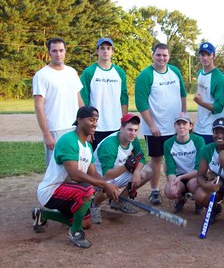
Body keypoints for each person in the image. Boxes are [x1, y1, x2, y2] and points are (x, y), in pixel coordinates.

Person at [32, 106, 119, 249]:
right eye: (91, 120)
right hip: (51, 191)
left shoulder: (87, 147)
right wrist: (104, 186)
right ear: (79, 120)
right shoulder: (68, 141)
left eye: (96, 120)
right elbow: (74, 175)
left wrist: (108, 186)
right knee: (87, 191)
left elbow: (93, 174)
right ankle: (75, 233)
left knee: (86, 223)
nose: (95, 124)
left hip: (69, 192)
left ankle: (43, 215)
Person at [135, 43, 187, 205]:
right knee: (156, 159)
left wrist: (183, 116)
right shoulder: (146, 75)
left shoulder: (175, 72)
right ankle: (155, 190)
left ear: (169, 56)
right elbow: (140, 102)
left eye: (165, 55)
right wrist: (151, 125)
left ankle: (179, 189)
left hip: (175, 126)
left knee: (176, 159)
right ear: (153, 55)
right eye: (158, 55)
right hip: (156, 128)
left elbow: (183, 94)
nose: (161, 58)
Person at [90, 113, 153, 224]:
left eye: (135, 130)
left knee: (148, 171)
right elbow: (107, 174)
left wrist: (137, 172)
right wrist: (126, 167)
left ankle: (119, 202)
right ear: (121, 128)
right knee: (107, 189)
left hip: (116, 172)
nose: (133, 133)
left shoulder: (133, 139)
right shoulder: (110, 145)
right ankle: (94, 206)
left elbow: (141, 158)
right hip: (99, 178)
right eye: (129, 129)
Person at [33, 37, 84, 167]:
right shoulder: (42, 75)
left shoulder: (71, 72)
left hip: (74, 128)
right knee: (55, 168)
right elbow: (39, 107)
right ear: (49, 53)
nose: (58, 54)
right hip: (55, 129)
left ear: (65, 51)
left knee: (76, 167)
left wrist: (84, 126)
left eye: (61, 50)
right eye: (54, 51)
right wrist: (46, 134)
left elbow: (79, 100)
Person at [80, 37, 128, 150]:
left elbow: (124, 99)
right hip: (96, 127)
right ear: (97, 51)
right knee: (94, 161)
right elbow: (83, 100)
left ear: (112, 51)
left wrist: (124, 123)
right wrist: (88, 127)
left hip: (115, 125)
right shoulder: (89, 72)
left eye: (108, 48)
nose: (105, 51)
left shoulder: (119, 72)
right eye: (102, 48)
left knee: (112, 159)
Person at [163, 112, 205, 214]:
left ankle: (199, 201)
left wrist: (181, 178)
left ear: (190, 126)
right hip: (178, 177)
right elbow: (170, 169)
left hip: (194, 176)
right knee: (169, 191)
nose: (181, 126)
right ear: (175, 126)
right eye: (178, 124)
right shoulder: (168, 144)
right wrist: (173, 183)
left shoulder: (199, 140)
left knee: (193, 184)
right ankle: (181, 199)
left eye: (184, 123)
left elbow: (199, 169)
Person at [193, 42, 224, 144]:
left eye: (208, 55)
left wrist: (201, 102)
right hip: (199, 126)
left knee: (210, 158)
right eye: (203, 55)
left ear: (214, 56)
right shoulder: (200, 73)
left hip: (211, 128)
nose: (205, 58)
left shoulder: (219, 78)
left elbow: (219, 107)